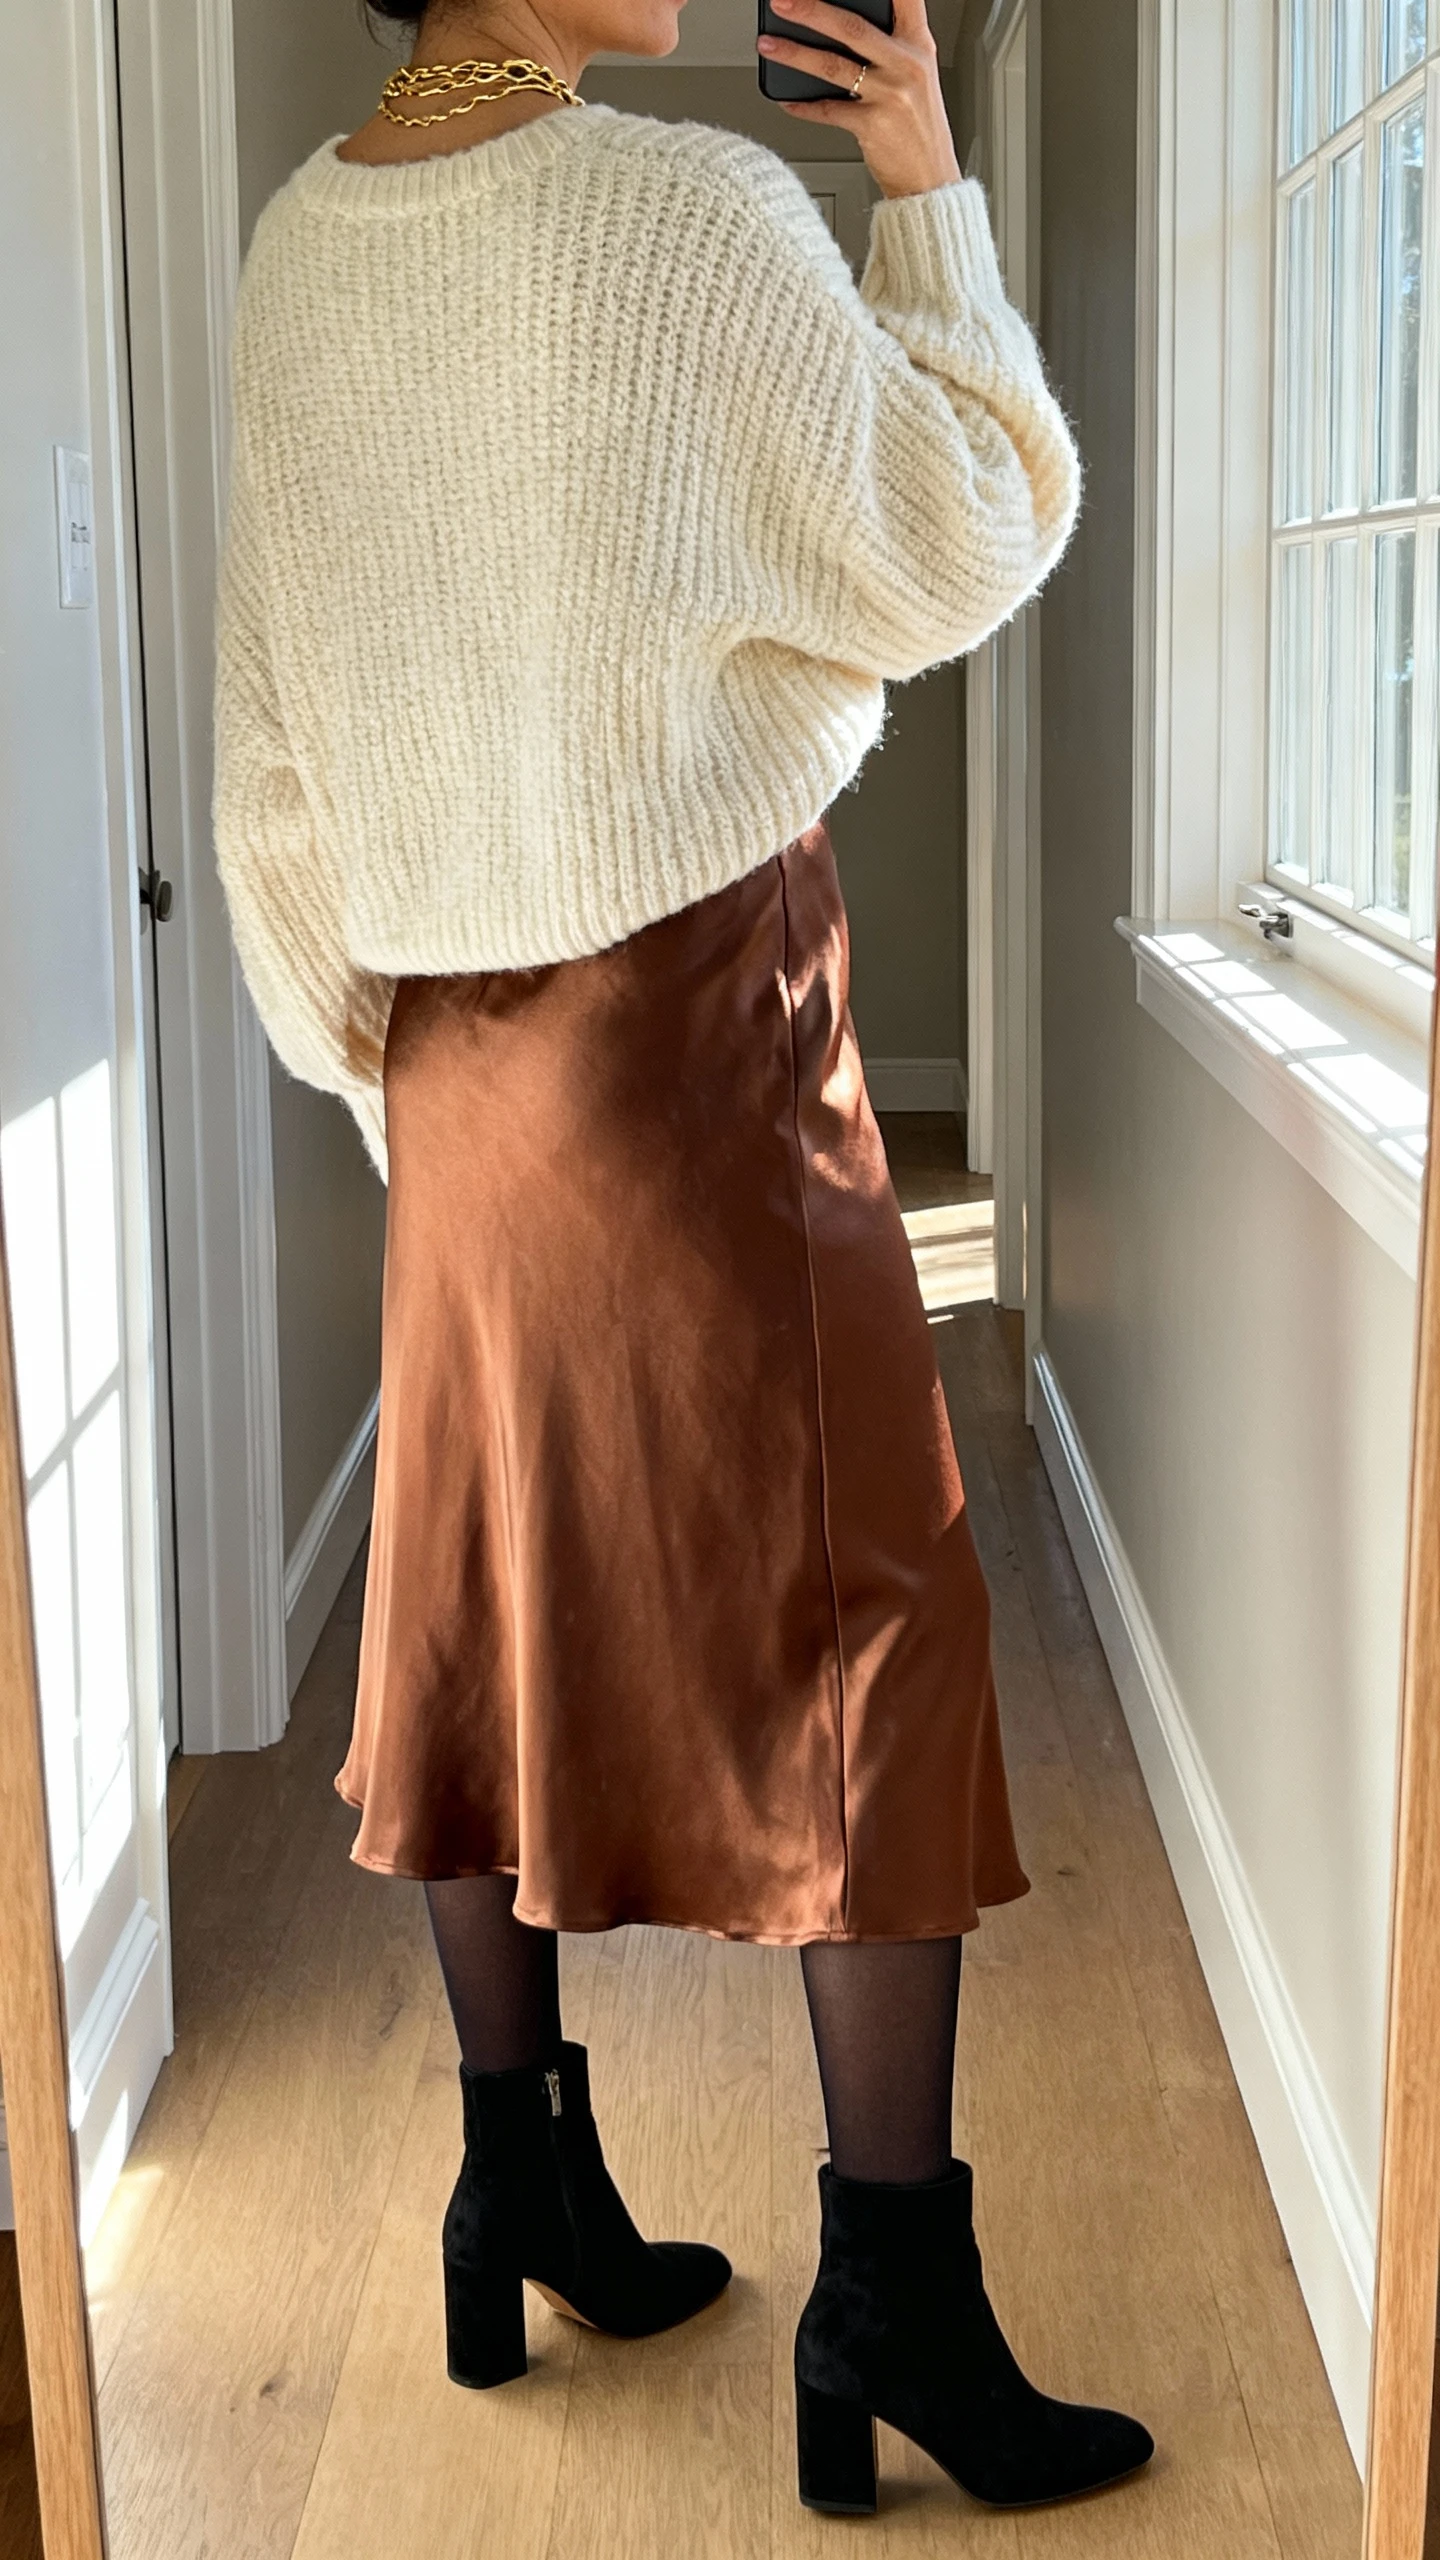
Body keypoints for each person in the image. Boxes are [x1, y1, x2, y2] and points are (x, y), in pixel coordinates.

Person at [213, 0, 1153, 2517]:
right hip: (705, 1037)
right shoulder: (697, 218)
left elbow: (272, 757)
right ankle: (895, 2297)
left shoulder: (299, 254)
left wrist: (402, 1066)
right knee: (872, 1617)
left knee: (485, 1598)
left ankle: (512, 2178)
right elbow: (972, 522)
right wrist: (927, 188)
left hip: (455, 1073)